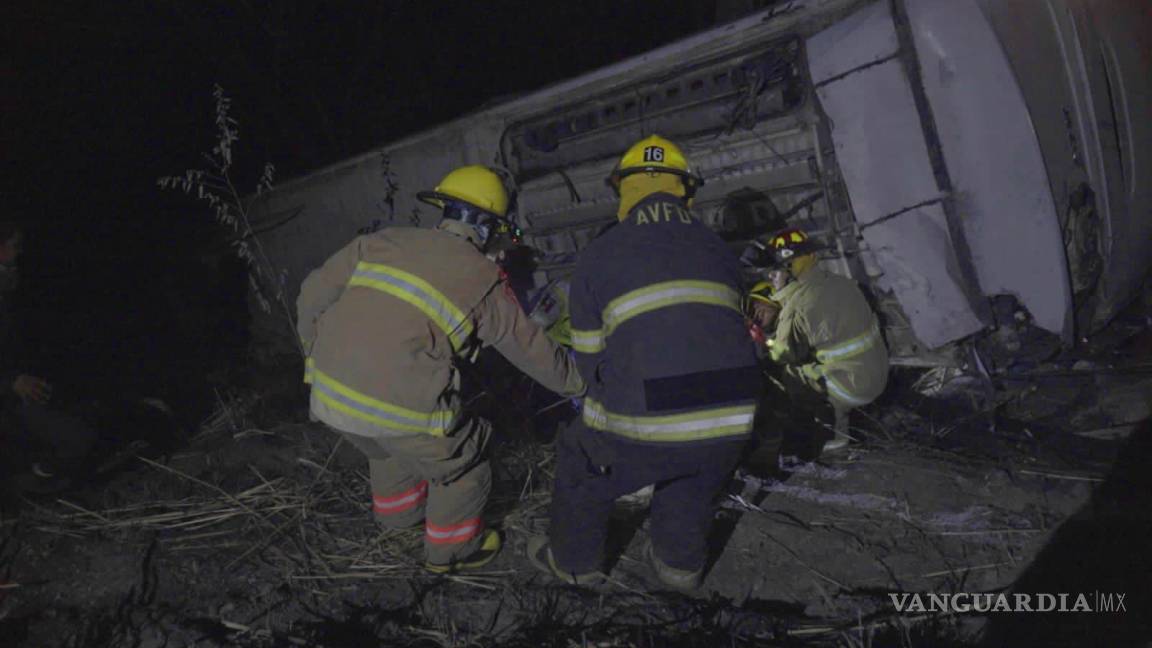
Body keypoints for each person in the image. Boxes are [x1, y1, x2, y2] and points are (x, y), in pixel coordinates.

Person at [296, 165, 585, 574]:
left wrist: (315, 355)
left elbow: (310, 295)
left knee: (384, 446)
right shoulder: (482, 278)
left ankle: (397, 521)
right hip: (400, 406)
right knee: (466, 462)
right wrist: (580, 382)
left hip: (328, 396)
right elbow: (532, 351)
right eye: (501, 235)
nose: (503, 249)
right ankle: (451, 553)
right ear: (484, 228)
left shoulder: (382, 241)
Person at [527, 135, 761, 590]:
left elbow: (590, 361)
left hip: (652, 418)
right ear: (686, 192)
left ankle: (575, 563)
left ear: (623, 191)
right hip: (734, 417)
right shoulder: (718, 248)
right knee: (693, 473)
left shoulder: (600, 253)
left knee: (582, 454)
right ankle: (680, 566)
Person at [742, 227, 889, 454]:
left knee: (790, 374)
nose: (771, 278)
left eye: (775, 271)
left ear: (791, 268)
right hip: (879, 375)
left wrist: (764, 343)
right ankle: (849, 415)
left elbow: (784, 355)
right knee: (818, 359)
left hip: (852, 388)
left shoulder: (798, 305)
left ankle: (828, 433)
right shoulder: (841, 282)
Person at [0, 222, 96, 494]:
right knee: (78, 440)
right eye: (15, 246)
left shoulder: (13, 289)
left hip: (18, 395)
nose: (20, 254)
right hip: (9, 399)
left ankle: (38, 477)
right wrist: (12, 383)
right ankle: (25, 485)